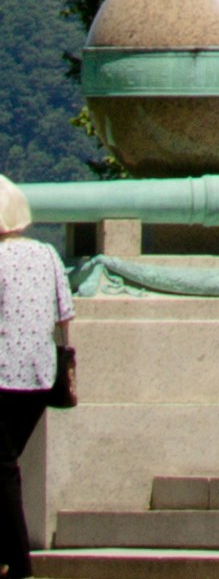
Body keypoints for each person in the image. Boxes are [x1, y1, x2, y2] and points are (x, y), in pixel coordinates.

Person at [0, 182, 72, 579]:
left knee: (3, 467)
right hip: (40, 376)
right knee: (5, 463)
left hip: (2, 372)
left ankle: (18, 561)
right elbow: (65, 316)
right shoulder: (47, 254)